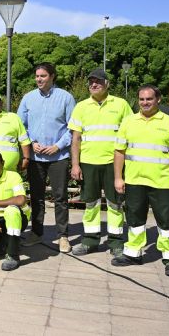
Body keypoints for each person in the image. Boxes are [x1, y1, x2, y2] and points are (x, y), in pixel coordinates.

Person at [111, 85, 169, 277]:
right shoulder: (129, 122)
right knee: (134, 218)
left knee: (167, 221)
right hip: (135, 181)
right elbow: (119, 152)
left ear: (158, 100)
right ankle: (133, 253)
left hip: (162, 182)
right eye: (142, 99)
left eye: (149, 99)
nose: (145, 103)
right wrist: (118, 177)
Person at [69, 68, 132, 256]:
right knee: (90, 203)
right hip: (88, 163)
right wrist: (75, 164)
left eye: (98, 81)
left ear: (107, 84)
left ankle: (116, 242)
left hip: (114, 164)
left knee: (115, 203)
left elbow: (130, 134)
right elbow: (75, 139)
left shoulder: (121, 105)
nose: (93, 84)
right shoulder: (81, 106)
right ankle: (90, 240)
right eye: (91, 82)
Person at [17, 62, 75, 253]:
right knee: (37, 197)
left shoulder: (66, 98)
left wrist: (57, 146)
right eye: (37, 76)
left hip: (58, 156)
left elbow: (72, 128)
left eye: (42, 76)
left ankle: (63, 236)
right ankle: (36, 232)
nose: (39, 79)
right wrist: (31, 142)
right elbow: (20, 126)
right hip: (35, 157)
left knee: (60, 197)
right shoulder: (28, 98)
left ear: (52, 76)